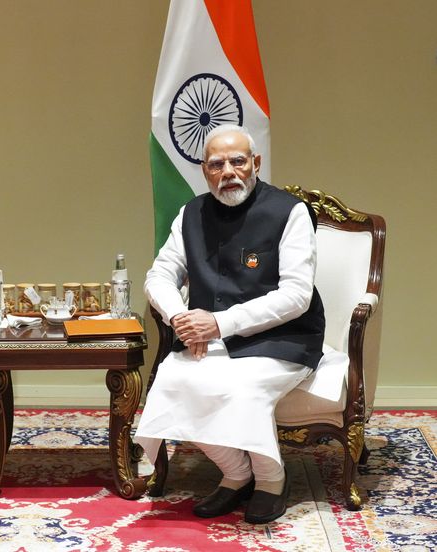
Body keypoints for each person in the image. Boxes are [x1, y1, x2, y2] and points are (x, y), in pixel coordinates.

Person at [134, 124, 325, 524]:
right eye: (217, 164)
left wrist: (218, 324)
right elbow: (159, 275)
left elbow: (296, 296)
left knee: (240, 387)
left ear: (255, 163)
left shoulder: (289, 212)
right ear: (205, 170)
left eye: (238, 161)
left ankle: (272, 480)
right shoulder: (191, 213)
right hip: (207, 335)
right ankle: (237, 475)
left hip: (283, 338)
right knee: (175, 380)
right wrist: (181, 319)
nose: (228, 172)